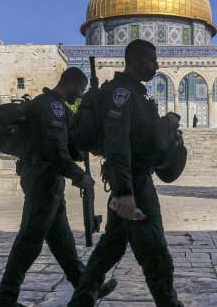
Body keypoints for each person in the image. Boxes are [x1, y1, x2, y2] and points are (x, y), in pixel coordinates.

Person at [69, 39, 183, 307]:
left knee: (112, 245)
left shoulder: (135, 92)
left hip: (132, 180)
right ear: (134, 60)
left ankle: (82, 298)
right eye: (151, 60)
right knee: (155, 253)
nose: (156, 65)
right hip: (134, 184)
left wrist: (164, 124)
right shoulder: (122, 93)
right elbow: (117, 143)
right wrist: (125, 193)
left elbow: (139, 134)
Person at [0, 67, 113, 306]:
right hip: (43, 179)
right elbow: (55, 149)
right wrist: (79, 177)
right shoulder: (53, 107)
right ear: (70, 83)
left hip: (46, 179)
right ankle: (4, 299)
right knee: (29, 241)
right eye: (80, 89)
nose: (80, 95)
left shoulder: (51, 106)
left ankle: (86, 287)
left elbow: (70, 145)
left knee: (62, 239)